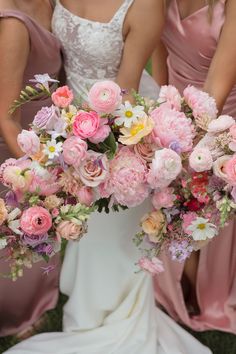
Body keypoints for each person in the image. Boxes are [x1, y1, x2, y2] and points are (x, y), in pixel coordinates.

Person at [3, 1, 212, 353]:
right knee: (87, 229)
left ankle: (112, 316)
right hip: (72, 121)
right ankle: (87, 309)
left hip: (122, 126)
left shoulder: (144, 7)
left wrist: (90, 150)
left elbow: (124, 91)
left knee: (110, 229)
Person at [152, 0, 236, 334]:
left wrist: (182, 144)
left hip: (222, 122)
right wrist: (155, 123)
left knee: (200, 196)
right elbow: (161, 63)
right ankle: (180, 281)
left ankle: (209, 289)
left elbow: (217, 87)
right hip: (175, 117)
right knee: (163, 193)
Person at [0, 0, 62, 338]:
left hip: (43, 141)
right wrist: (35, 172)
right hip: (16, 150)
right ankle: (14, 312)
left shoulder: (48, 3)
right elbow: (6, 119)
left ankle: (36, 300)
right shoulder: (13, 22)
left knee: (36, 230)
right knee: (15, 236)